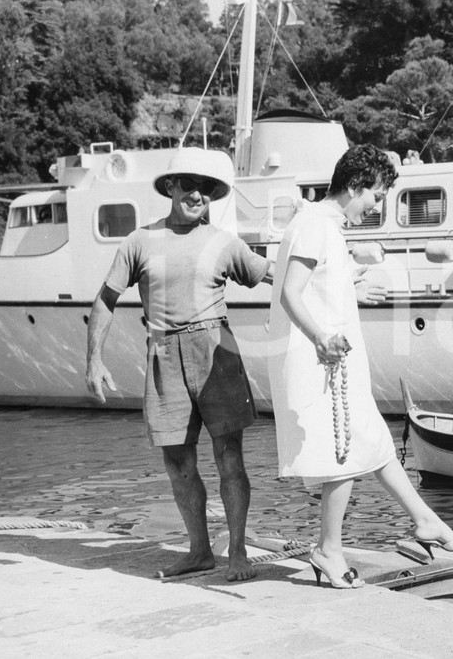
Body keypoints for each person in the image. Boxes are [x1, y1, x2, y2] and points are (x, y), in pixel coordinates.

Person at [268, 144, 453, 589]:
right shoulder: (316, 226)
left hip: (337, 358)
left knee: (373, 440)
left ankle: (426, 522)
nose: (376, 206)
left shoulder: (323, 227)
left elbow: (315, 286)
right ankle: (328, 550)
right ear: (355, 186)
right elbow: (289, 292)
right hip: (324, 358)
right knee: (343, 453)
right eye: (376, 197)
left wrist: (350, 291)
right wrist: (321, 336)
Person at [85, 147, 272, 582]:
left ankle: (238, 552)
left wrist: (329, 275)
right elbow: (105, 299)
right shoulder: (139, 241)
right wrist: (93, 361)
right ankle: (199, 552)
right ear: (170, 187)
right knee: (178, 462)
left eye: (207, 188)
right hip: (163, 353)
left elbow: (275, 274)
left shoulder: (225, 242)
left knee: (230, 458)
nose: (197, 194)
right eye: (189, 184)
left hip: (216, 351)